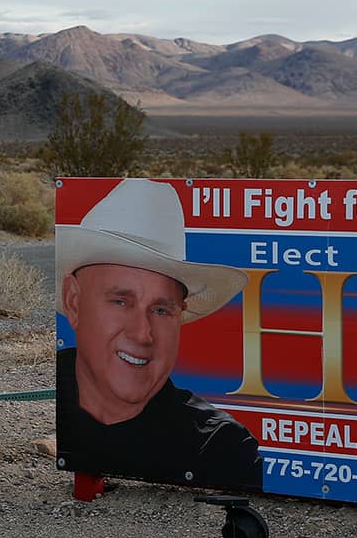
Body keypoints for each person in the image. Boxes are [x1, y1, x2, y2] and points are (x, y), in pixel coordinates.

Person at [56, 178, 263, 491]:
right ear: (74, 301)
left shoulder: (219, 446)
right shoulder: (60, 388)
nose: (143, 334)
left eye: (162, 310)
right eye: (120, 301)